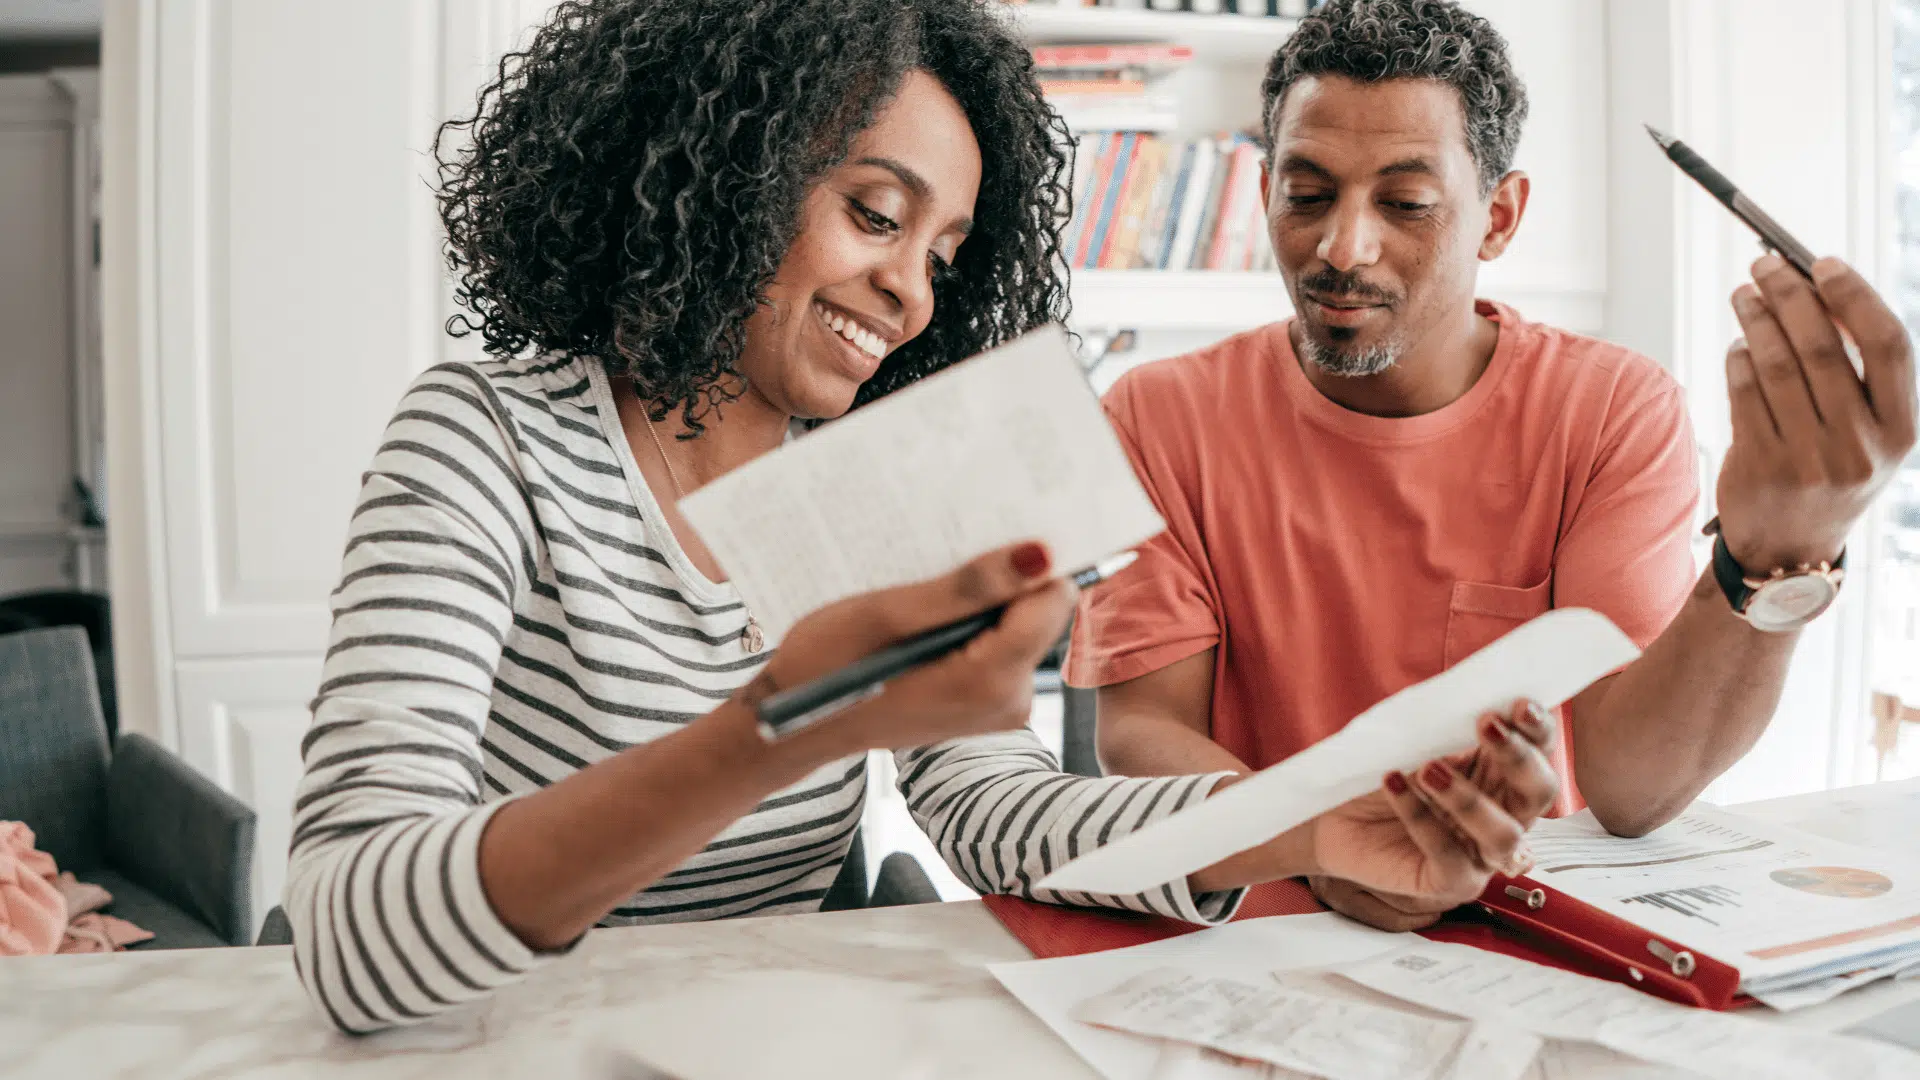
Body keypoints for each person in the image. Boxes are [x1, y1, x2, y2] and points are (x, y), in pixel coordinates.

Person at [285, 0, 1563, 1034]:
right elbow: (348, 933)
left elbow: (1001, 810)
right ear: (721, 174)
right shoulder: (484, 439)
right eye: (875, 215)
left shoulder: (884, 477)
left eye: (944, 256)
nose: (908, 294)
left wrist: (1312, 821)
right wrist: (779, 728)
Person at [1073, 0, 1917, 932]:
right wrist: (1317, 844)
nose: (1341, 248)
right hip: (1253, 919)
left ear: (1499, 217)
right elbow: (1141, 728)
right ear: (1265, 188)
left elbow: (1631, 792)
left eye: (1405, 204)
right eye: (1307, 195)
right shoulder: (1156, 413)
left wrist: (1774, 550)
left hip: (1510, 926)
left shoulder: (1609, 412)